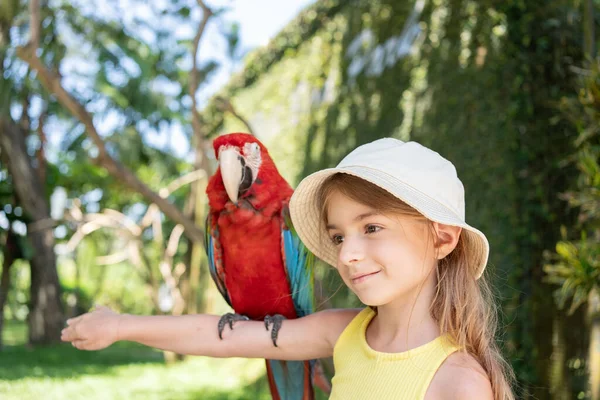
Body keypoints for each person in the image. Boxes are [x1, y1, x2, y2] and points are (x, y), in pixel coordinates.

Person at [61, 138, 515, 399]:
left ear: (442, 237)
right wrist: (118, 325)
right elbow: (220, 337)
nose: (347, 255)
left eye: (372, 227)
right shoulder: (343, 334)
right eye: (338, 237)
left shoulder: (459, 383)